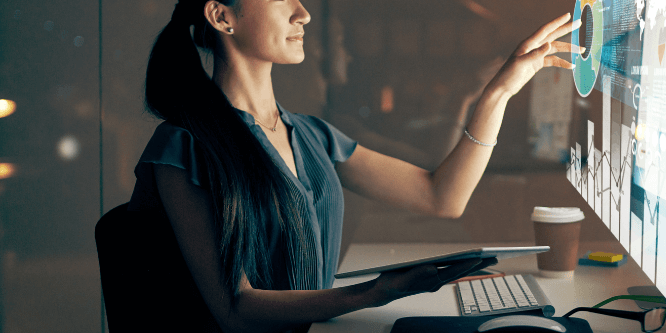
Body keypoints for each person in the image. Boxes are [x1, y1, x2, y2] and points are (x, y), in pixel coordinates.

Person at [130, 0, 580, 332]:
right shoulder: (182, 147)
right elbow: (235, 310)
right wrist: (375, 292)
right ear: (221, 16)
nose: (302, 13)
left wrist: (497, 94)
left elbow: (442, 196)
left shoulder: (311, 135)